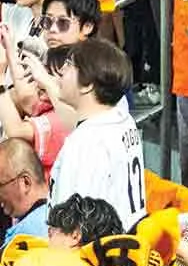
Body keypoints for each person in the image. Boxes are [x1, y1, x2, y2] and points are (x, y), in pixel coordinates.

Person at [46, 39, 141, 223]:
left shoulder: (86, 143)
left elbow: (73, 225)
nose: (61, 71)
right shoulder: (123, 119)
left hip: (93, 249)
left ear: (88, 84)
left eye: (68, 64)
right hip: (125, 242)